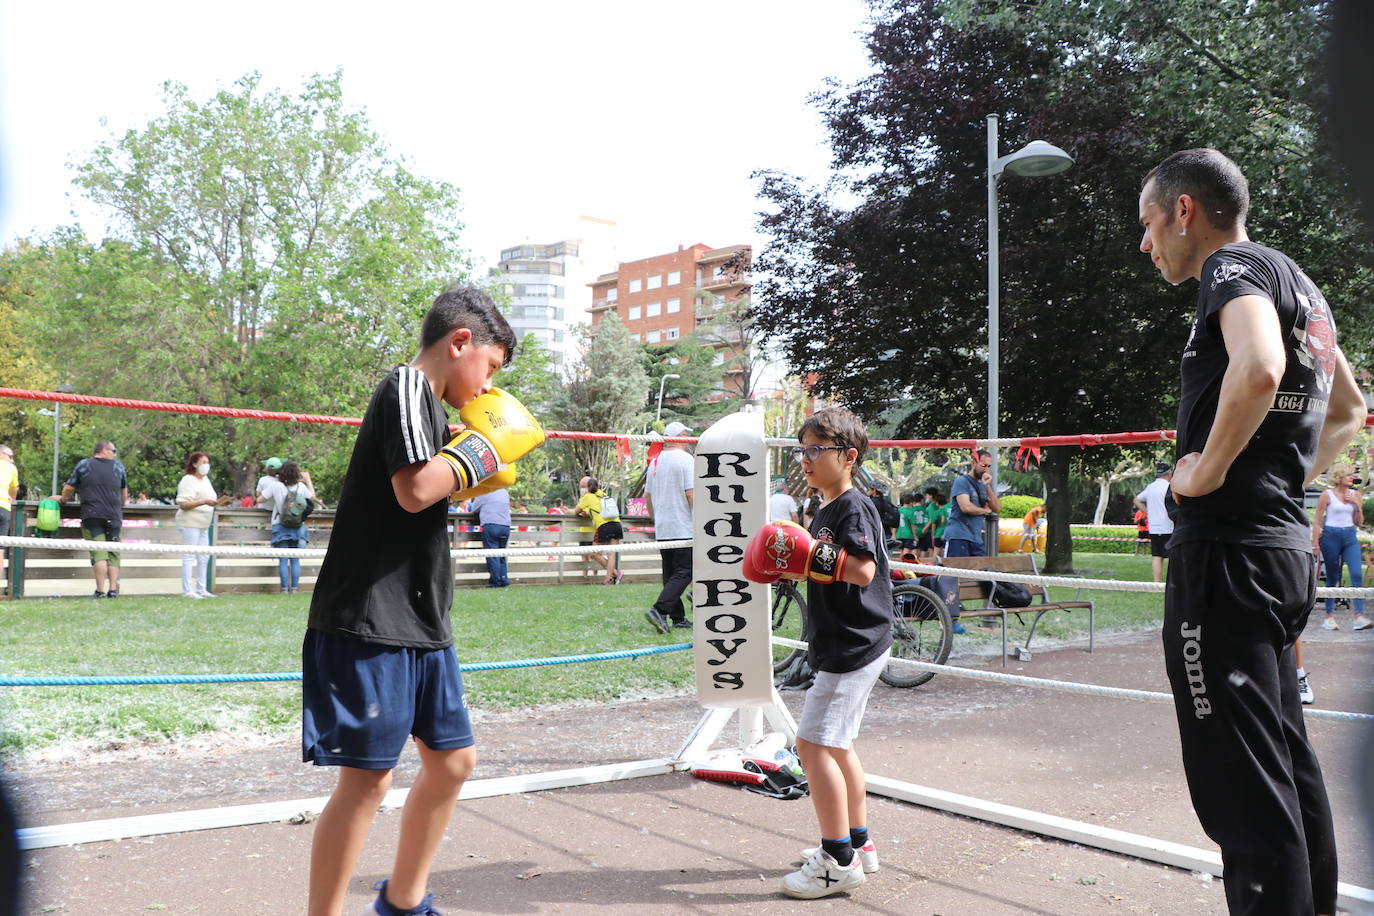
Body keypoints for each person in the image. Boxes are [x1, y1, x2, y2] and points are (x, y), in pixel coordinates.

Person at [1138, 148, 1366, 916]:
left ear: (1184, 211)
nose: (1145, 243)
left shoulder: (1230, 269)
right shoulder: (1301, 284)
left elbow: (1262, 366)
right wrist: (1281, 478)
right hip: (1278, 549)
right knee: (1284, 764)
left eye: (1149, 223)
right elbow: (1349, 412)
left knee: (1241, 788)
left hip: (1227, 559)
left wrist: (1204, 473)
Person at [301, 285, 542, 916]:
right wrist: (485, 448)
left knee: (454, 762)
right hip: (370, 614)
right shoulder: (406, 387)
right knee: (368, 780)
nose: (489, 386)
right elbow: (414, 489)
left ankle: (402, 903)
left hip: (423, 615)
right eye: (490, 366)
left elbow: (426, 492)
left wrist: (471, 462)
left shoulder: (433, 411)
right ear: (460, 342)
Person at [741, 406, 892, 899]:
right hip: (846, 637)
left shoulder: (853, 506)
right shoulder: (824, 509)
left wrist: (806, 554)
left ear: (848, 456)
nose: (805, 459)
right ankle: (859, 844)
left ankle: (837, 860)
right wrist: (790, 565)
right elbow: (825, 568)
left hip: (853, 642)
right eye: (801, 450)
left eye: (816, 450)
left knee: (810, 746)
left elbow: (863, 571)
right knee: (838, 746)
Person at [643, 420, 694, 633]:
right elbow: (691, 494)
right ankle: (659, 610)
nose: (688, 439)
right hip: (683, 525)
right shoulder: (686, 460)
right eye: (686, 435)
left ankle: (678, 617)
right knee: (685, 571)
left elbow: (647, 496)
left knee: (670, 573)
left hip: (664, 527)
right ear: (680, 437)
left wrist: (656, 519)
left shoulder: (655, 461)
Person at [59, 440, 127, 599]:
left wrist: (63, 500)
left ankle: (100, 591)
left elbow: (69, 487)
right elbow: (124, 491)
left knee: (99, 553)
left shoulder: (84, 465)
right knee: (113, 553)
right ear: (104, 450)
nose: (115, 454)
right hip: (114, 515)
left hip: (92, 514)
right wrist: (122, 504)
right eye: (114, 451)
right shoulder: (118, 467)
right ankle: (113, 590)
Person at [1312, 463, 1367, 630]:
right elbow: (1317, 521)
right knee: (1332, 577)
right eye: (1349, 475)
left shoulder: (1356, 494)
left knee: (1356, 574)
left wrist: (1356, 505)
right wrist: (1315, 543)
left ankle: (1359, 616)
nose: (1352, 477)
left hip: (1350, 536)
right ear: (1339, 477)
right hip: (1331, 536)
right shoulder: (1327, 495)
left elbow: (1359, 522)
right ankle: (1329, 617)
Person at [260, 460, 315, 594]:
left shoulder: (275, 486)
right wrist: (308, 480)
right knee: (295, 559)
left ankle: (284, 589)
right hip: (298, 526)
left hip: (280, 525)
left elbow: (260, 499)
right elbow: (312, 497)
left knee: (283, 560)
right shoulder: (301, 487)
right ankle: (294, 589)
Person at [174, 451, 223, 599]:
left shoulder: (206, 480)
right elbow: (183, 504)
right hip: (190, 522)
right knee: (189, 555)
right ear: (195, 464)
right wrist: (204, 502)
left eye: (207, 463)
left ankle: (201, 589)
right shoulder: (187, 480)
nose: (206, 466)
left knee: (204, 556)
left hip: (204, 523)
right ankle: (187, 590)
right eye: (203, 463)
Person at [944, 450, 1000, 558]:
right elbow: (966, 507)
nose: (986, 470)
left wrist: (987, 487)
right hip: (959, 537)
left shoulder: (983, 484)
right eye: (983, 465)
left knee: (981, 568)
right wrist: (985, 511)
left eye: (988, 466)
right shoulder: (961, 482)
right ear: (973, 463)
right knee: (956, 568)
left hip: (976, 539)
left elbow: (996, 508)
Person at [1133, 463, 1175, 583]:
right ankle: (1172, 582)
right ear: (1169, 473)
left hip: (1154, 527)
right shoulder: (1170, 487)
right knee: (1173, 556)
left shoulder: (1150, 487)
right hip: (1169, 526)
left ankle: (1156, 582)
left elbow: (1137, 500)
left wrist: (1148, 512)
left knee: (1157, 556)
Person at [574, 476, 614, 582]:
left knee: (595, 555)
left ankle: (600, 576)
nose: (582, 489)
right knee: (585, 555)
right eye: (581, 486)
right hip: (585, 530)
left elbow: (586, 511)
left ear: (589, 486)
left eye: (584, 486)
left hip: (596, 530)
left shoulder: (595, 496)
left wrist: (585, 512)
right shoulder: (586, 497)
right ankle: (585, 577)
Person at [471, 487, 512, 588]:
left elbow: (474, 509)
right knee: (502, 554)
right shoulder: (504, 491)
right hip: (505, 526)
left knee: (492, 555)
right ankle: (504, 579)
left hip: (491, 525)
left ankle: (495, 581)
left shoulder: (484, 491)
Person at [0, 445, 16, 581]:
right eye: (10, 457)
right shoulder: (11, 468)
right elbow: (13, 490)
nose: (12, 460)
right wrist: (11, 497)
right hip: (3, 507)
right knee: (0, 549)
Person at [921, 488, 947, 561]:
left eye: (927, 495)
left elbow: (932, 520)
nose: (926, 497)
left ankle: (932, 563)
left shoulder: (932, 506)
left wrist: (925, 529)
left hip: (933, 531)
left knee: (932, 549)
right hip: (939, 531)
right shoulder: (940, 507)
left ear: (931, 495)